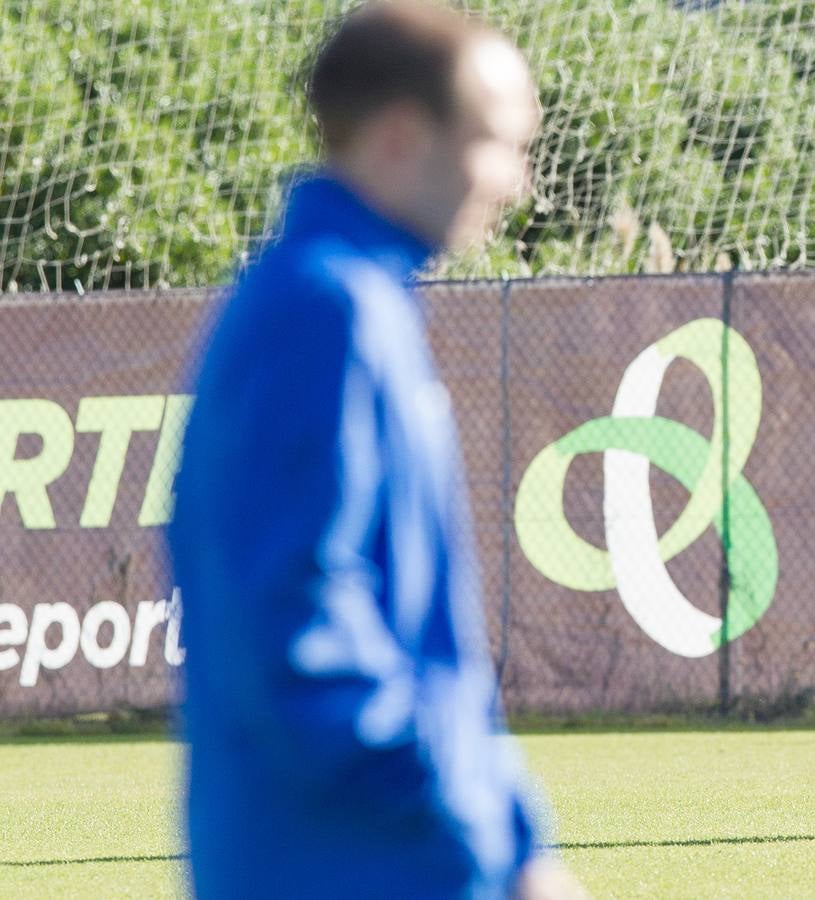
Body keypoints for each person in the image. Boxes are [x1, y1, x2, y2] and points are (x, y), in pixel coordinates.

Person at [169, 3, 581, 896]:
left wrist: (516, 838)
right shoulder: (320, 312)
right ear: (400, 137)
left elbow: (428, 649)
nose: (516, 182)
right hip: (352, 865)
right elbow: (300, 624)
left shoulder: (359, 303)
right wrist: (464, 812)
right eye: (495, 144)